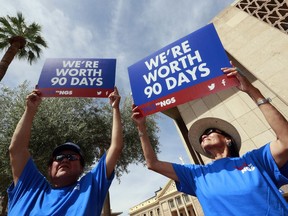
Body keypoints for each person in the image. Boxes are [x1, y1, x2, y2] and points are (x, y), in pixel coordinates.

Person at [132, 63, 288, 215]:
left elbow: (286, 140)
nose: (204, 136)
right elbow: (153, 164)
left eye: (210, 131)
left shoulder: (255, 160)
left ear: (228, 139)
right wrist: (141, 128)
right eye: (201, 137)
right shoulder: (196, 175)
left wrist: (252, 91)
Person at [8, 87, 123, 216]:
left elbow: (116, 148)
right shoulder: (30, 186)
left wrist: (115, 108)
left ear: (81, 169)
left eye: (72, 157)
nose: (65, 159)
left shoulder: (90, 187)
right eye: (59, 157)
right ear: (49, 168)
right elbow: (16, 149)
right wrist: (30, 110)